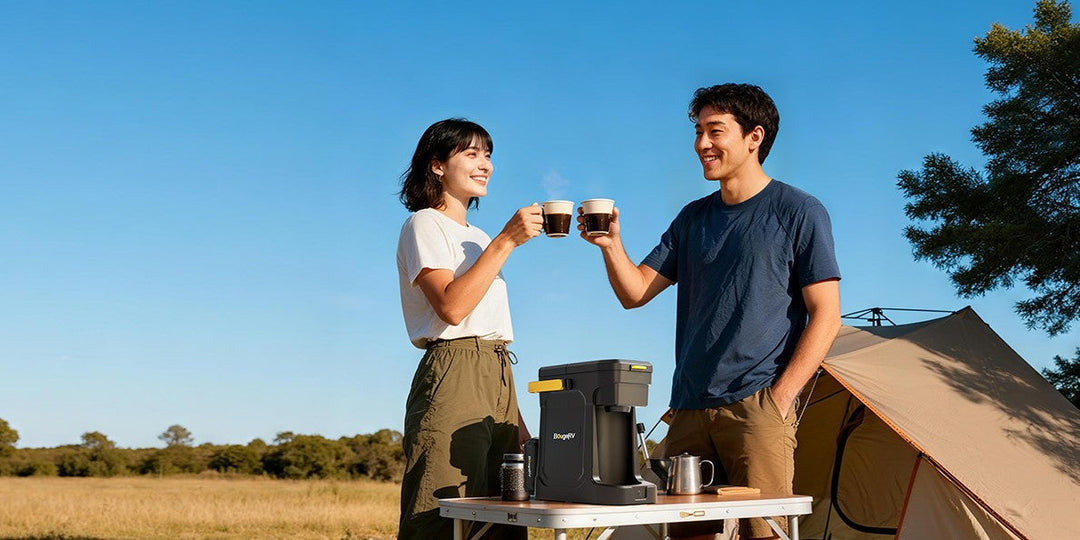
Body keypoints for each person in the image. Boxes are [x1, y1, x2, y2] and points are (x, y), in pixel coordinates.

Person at [579, 84, 842, 540]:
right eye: (698, 132)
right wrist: (610, 244)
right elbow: (635, 292)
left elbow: (827, 315)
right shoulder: (692, 218)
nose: (702, 144)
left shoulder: (798, 211)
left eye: (715, 131)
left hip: (757, 404)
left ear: (754, 136)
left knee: (766, 534)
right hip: (688, 407)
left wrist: (779, 400)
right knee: (685, 534)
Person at [395, 118, 539, 540]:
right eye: (471, 154)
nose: (485, 164)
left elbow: (488, 328)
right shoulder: (424, 223)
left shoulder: (477, 236)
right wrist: (506, 241)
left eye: (488, 155)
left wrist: (516, 419)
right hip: (454, 369)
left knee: (506, 510)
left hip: (498, 369)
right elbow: (452, 308)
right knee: (440, 509)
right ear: (437, 165)